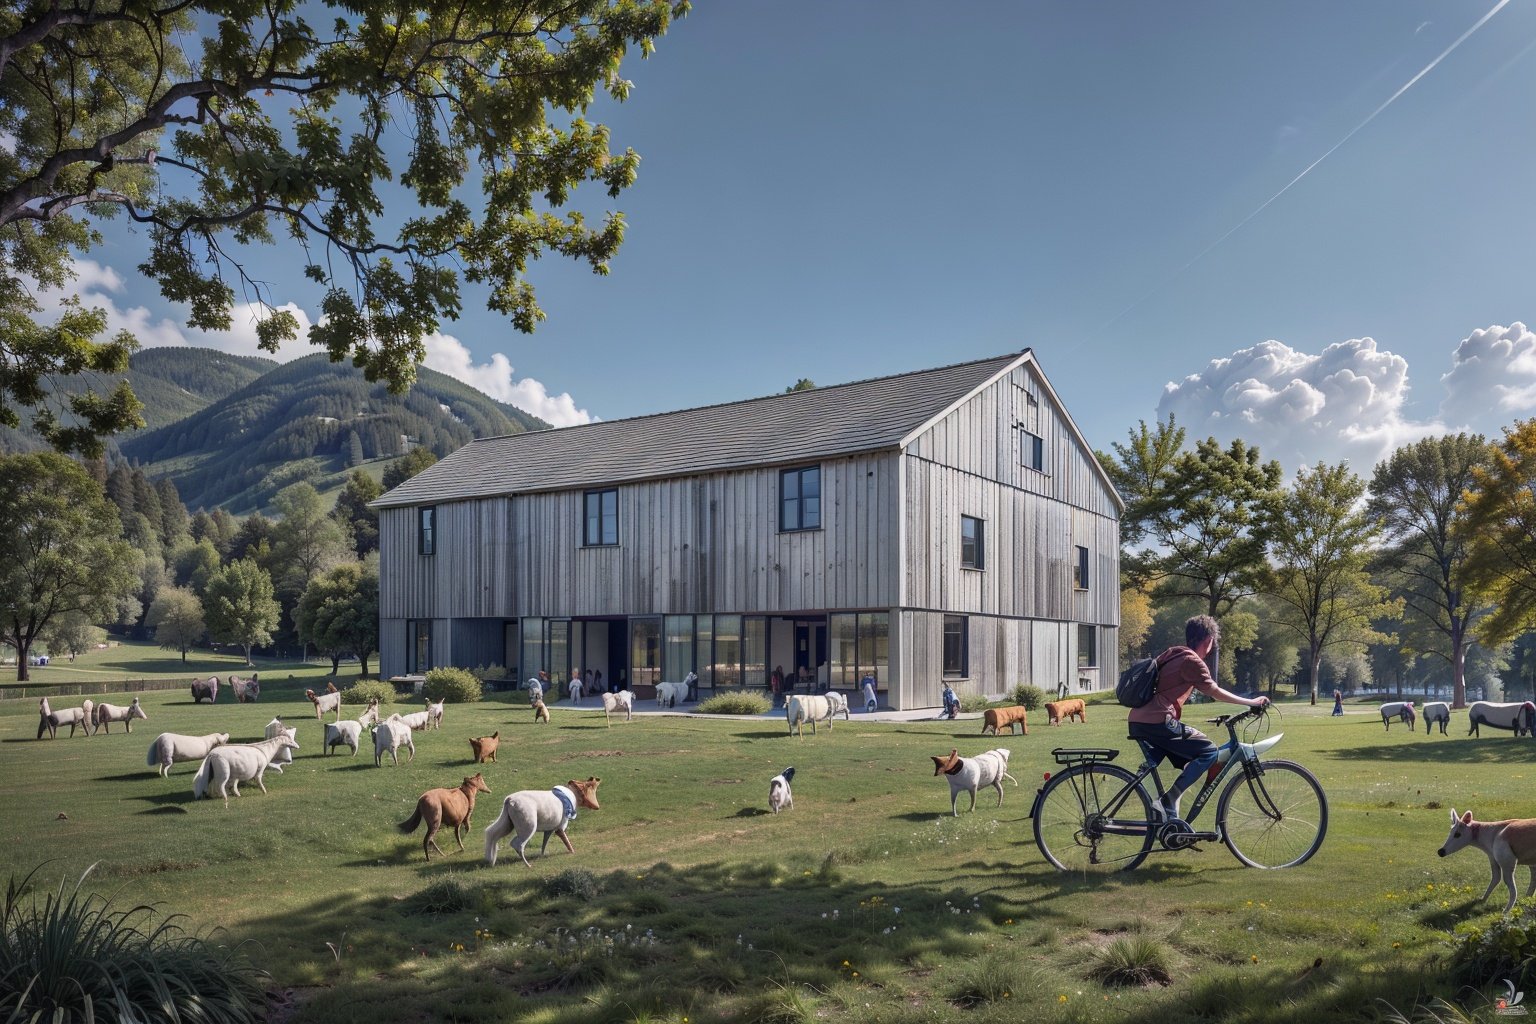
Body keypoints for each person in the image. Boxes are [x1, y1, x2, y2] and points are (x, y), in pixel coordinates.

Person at [1128, 615, 1268, 823]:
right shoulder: (1192, 661)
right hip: (1157, 720)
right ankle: (1168, 801)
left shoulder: (1173, 654)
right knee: (1209, 751)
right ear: (1209, 640)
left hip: (1141, 720)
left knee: (1188, 760)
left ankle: (1167, 817)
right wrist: (1252, 702)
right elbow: (1215, 692)